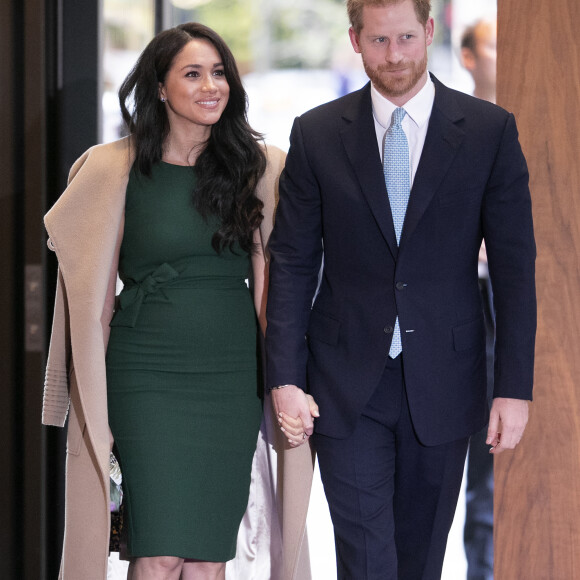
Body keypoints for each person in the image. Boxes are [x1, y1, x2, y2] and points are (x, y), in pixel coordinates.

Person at [265, 1, 536, 579]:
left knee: (420, 562)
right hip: (344, 384)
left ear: (431, 33)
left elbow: (514, 270)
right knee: (365, 560)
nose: (395, 56)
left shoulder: (490, 132)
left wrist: (514, 388)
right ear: (355, 40)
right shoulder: (316, 134)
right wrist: (285, 378)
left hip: (446, 378)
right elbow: (289, 260)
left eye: (407, 38)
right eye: (380, 40)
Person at [42, 22, 285, 580]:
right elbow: (95, 303)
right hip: (144, 374)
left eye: (219, 72)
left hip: (229, 377)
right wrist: (88, 406)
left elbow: (272, 290)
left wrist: (286, 381)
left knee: (205, 558)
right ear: (159, 87)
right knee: (157, 554)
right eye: (193, 73)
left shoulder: (259, 167)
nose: (211, 86)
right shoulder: (116, 169)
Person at [459, 19, 498, 580]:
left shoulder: (549, 121)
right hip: (466, 300)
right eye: (495, 44)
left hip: (513, 300)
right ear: (467, 56)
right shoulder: (452, 127)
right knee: (476, 470)